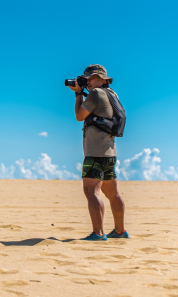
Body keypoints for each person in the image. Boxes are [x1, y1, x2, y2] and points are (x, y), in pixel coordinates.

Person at [68, 64, 129, 241]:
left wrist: (78, 94)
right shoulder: (112, 94)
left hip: (95, 152)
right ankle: (120, 231)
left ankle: (98, 233)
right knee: (113, 193)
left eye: (92, 78)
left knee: (91, 191)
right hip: (110, 152)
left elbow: (79, 116)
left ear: (102, 79)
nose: (88, 82)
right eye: (86, 79)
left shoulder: (96, 93)